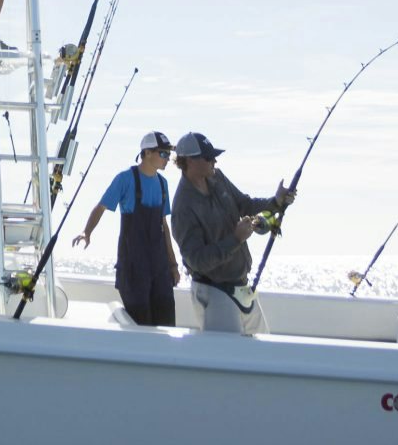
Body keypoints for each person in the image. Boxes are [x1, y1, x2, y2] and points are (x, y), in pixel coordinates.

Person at [168, 132, 294, 335]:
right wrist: (235, 239)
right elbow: (197, 260)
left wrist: (276, 202)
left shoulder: (217, 177)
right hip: (214, 291)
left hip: (242, 288)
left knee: (264, 349)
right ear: (189, 161)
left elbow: (245, 204)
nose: (214, 161)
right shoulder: (183, 206)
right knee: (228, 356)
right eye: (208, 157)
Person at [74, 132, 179, 326]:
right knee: (140, 323)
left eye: (168, 155)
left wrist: (173, 265)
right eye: (163, 154)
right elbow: (101, 207)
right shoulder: (125, 179)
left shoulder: (163, 184)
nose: (167, 159)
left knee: (166, 323)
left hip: (159, 268)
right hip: (133, 268)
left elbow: (163, 226)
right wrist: (86, 232)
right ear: (147, 153)